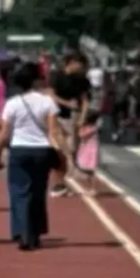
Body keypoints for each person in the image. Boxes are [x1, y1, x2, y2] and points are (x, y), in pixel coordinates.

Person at [0, 61, 60, 250]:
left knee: (19, 192)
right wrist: (62, 154)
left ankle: (22, 232)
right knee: (38, 192)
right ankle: (35, 232)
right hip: (42, 151)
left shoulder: (12, 104)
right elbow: (54, 131)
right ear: (36, 81)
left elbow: (5, 133)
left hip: (19, 150)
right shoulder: (47, 102)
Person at [48, 51, 91, 196]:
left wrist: (83, 117)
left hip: (73, 117)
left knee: (72, 148)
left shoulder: (82, 80)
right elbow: (50, 95)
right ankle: (60, 183)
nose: (81, 69)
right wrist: (66, 103)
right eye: (80, 65)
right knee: (59, 151)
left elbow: (85, 100)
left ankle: (63, 182)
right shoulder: (56, 76)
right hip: (55, 115)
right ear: (71, 63)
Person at [75, 110, 101, 195]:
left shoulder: (93, 128)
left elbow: (82, 135)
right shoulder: (86, 127)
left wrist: (81, 127)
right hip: (84, 148)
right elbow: (80, 134)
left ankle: (93, 188)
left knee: (91, 170)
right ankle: (91, 187)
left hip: (91, 150)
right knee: (83, 167)